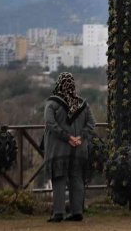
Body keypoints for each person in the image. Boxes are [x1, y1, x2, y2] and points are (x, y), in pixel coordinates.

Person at [44, 72, 96, 222]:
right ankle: (77, 212)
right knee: (76, 178)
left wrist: (67, 138)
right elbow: (92, 124)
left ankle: (58, 213)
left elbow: (50, 124)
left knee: (59, 178)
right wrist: (80, 137)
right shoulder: (83, 104)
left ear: (59, 84)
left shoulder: (52, 103)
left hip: (59, 149)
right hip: (79, 148)